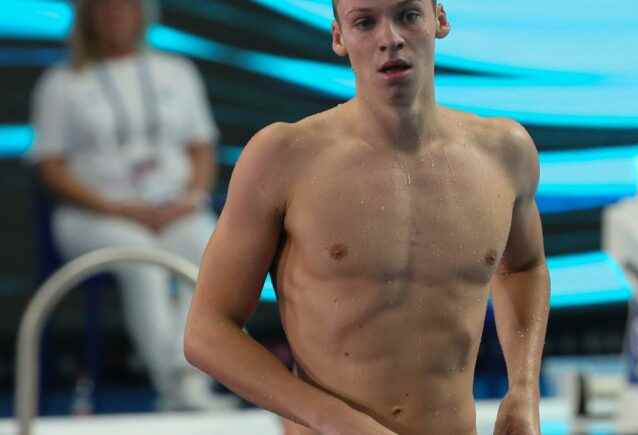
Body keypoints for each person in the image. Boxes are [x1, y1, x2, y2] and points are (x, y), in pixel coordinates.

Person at [185, 0, 550, 433]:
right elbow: (206, 332)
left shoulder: (505, 152)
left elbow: (524, 267)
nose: (390, 39)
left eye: (408, 16)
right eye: (365, 22)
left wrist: (524, 390)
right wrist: (334, 421)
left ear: (441, 20)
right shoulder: (283, 157)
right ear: (339, 37)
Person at [29, 0, 235, 411]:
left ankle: (194, 374)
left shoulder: (177, 71)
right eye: (105, 9)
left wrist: (191, 196)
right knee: (143, 263)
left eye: (124, 7)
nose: (116, 16)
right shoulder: (61, 82)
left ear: (143, 14)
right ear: (88, 18)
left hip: (173, 207)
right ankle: (173, 381)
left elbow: (201, 147)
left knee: (212, 249)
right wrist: (117, 208)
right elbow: (50, 168)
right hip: (95, 215)